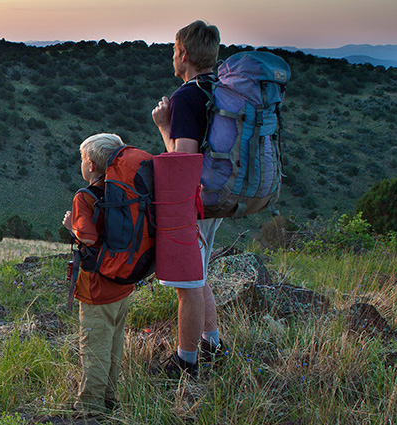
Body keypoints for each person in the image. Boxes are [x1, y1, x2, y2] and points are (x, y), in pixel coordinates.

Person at [149, 20, 227, 378]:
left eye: (173, 50)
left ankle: (186, 362)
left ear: (183, 53)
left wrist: (165, 126)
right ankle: (212, 344)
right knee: (200, 273)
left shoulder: (185, 96)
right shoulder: (221, 90)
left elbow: (183, 163)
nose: (172, 56)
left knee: (187, 284)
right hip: (219, 196)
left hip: (193, 202)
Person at [61, 133, 135, 414]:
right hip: (123, 282)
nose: (81, 164)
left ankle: (89, 409)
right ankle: (109, 399)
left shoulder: (85, 196)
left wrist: (72, 228)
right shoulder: (125, 191)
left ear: (90, 165)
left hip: (97, 286)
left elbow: (89, 238)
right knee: (115, 344)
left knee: (94, 347)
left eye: (82, 159)